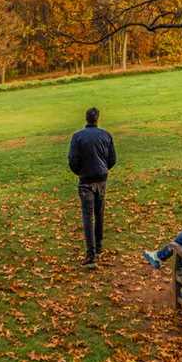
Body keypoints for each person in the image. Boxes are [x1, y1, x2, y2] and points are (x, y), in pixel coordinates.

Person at [67, 107, 116, 267]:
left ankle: (91, 254)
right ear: (97, 119)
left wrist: (80, 171)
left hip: (86, 180)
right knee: (99, 213)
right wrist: (103, 169)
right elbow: (112, 159)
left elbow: (73, 160)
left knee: (88, 217)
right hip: (101, 179)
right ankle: (99, 245)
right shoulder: (106, 135)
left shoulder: (77, 137)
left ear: (86, 119)